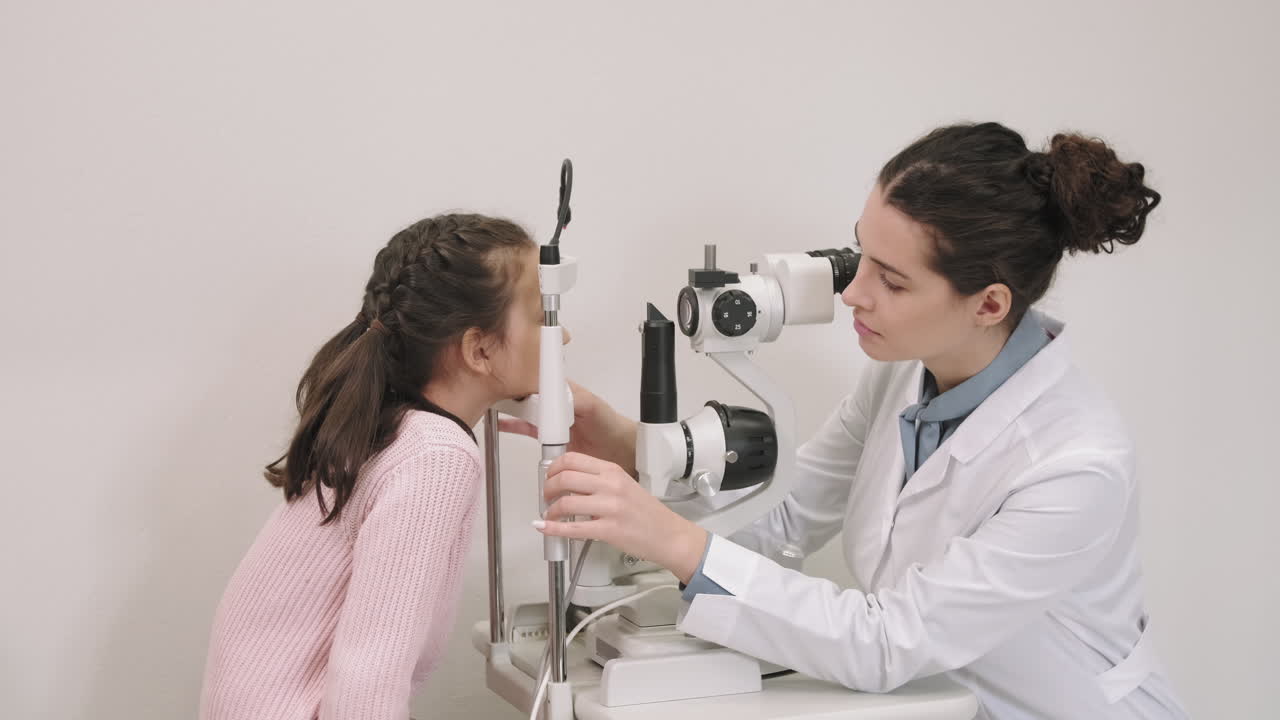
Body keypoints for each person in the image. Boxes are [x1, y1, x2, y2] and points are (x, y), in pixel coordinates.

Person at [519, 123, 1189, 719]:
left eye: (892, 281)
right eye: (860, 253)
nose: (853, 293)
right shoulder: (902, 374)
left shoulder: (1076, 466)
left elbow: (887, 640)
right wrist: (635, 449)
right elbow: (784, 516)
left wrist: (675, 540)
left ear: (988, 305)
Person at [200, 213, 569, 719]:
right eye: (542, 315)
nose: (562, 336)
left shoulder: (392, 427)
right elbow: (367, 679)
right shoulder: (437, 458)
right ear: (479, 349)